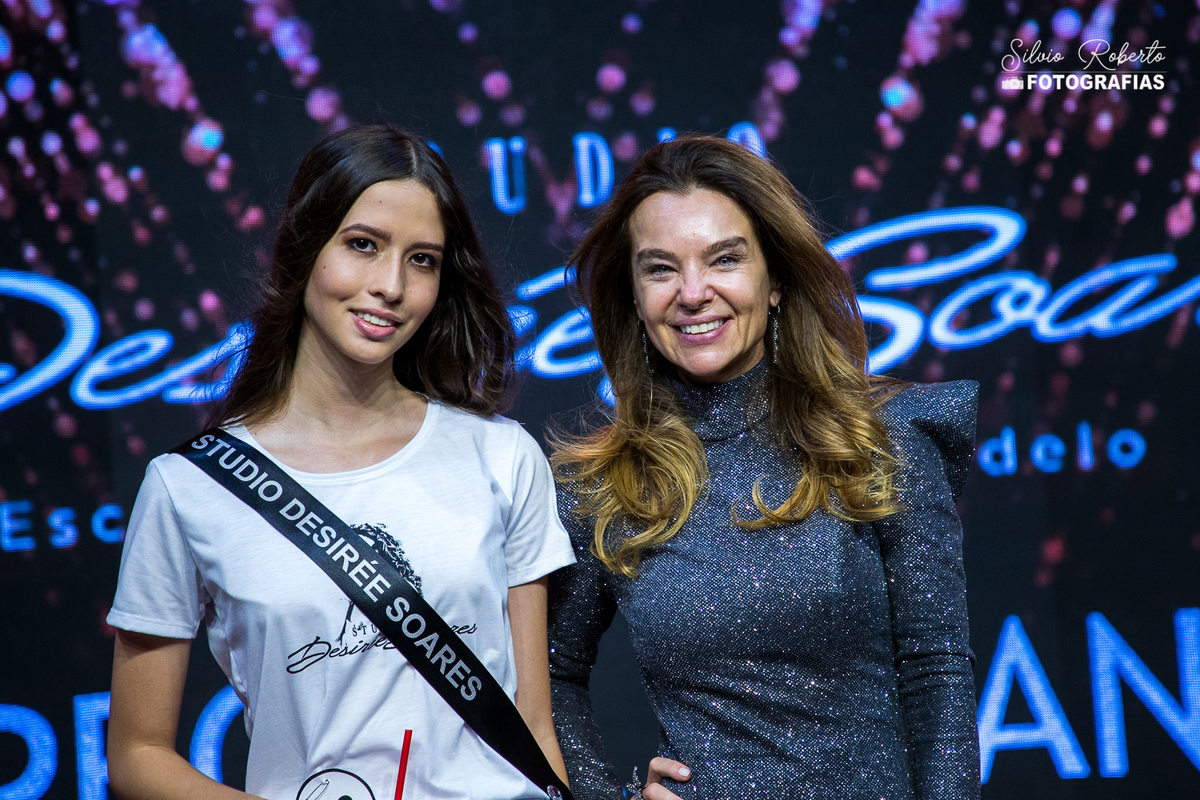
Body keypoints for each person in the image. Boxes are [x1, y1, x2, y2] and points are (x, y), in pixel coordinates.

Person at [106, 124, 575, 800]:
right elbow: (136, 755)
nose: (391, 285)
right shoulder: (189, 488)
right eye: (363, 245)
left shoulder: (502, 456)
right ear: (305, 248)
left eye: (422, 260)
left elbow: (533, 728)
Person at [547, 135, 980, 800]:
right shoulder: (609, 485)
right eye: (660, 269)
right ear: (633, 296)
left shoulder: (879, 439)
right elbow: (548, 674)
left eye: (724, 259)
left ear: (774, 279)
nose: (694, 293)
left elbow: (937, 671)